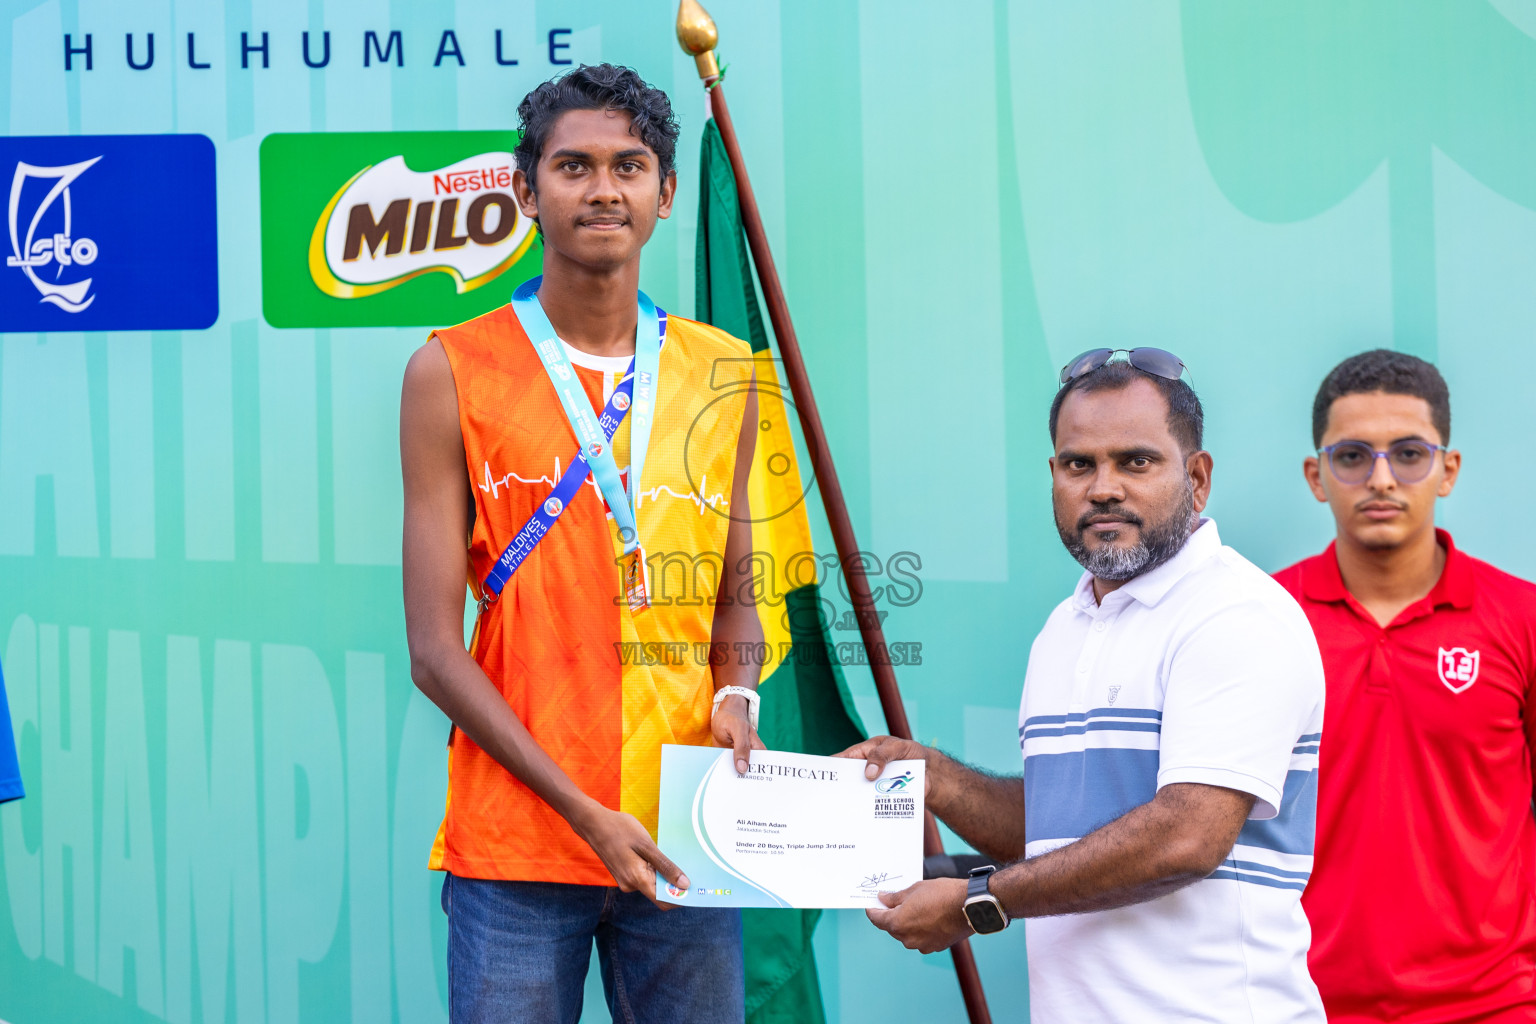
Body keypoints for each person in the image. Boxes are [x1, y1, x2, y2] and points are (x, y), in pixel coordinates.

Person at [400, 64, 762, 1024]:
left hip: (682, 835)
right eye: (574, 166)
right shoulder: (450, 370)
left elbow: (737, 590)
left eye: (629, 166)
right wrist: (580, 809)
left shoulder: (724, 372)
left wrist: (735, 692)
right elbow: (434, 654)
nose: (603, 188)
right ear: (526, 190)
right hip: (517, 844)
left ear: (665, 193)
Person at [842, 349, 1326, 1023]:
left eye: (1136, 461)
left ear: (1198, 478)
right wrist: (935, 778)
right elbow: (1059, 837)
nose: (1103, 488)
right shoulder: (1063, 630)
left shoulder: (1236, 614)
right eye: (1080, 464)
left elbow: (1188, 836)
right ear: (1054, 477)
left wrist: (980, 901)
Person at [1274, 350, 1536, 1023]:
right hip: (1300, 1001)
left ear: (1447, 470)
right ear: (1316, 475)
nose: (1382, 478)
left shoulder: (1521, 619)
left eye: (1409, 454)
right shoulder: (1265, 621)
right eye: (1353, 456)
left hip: (1495, 1003)